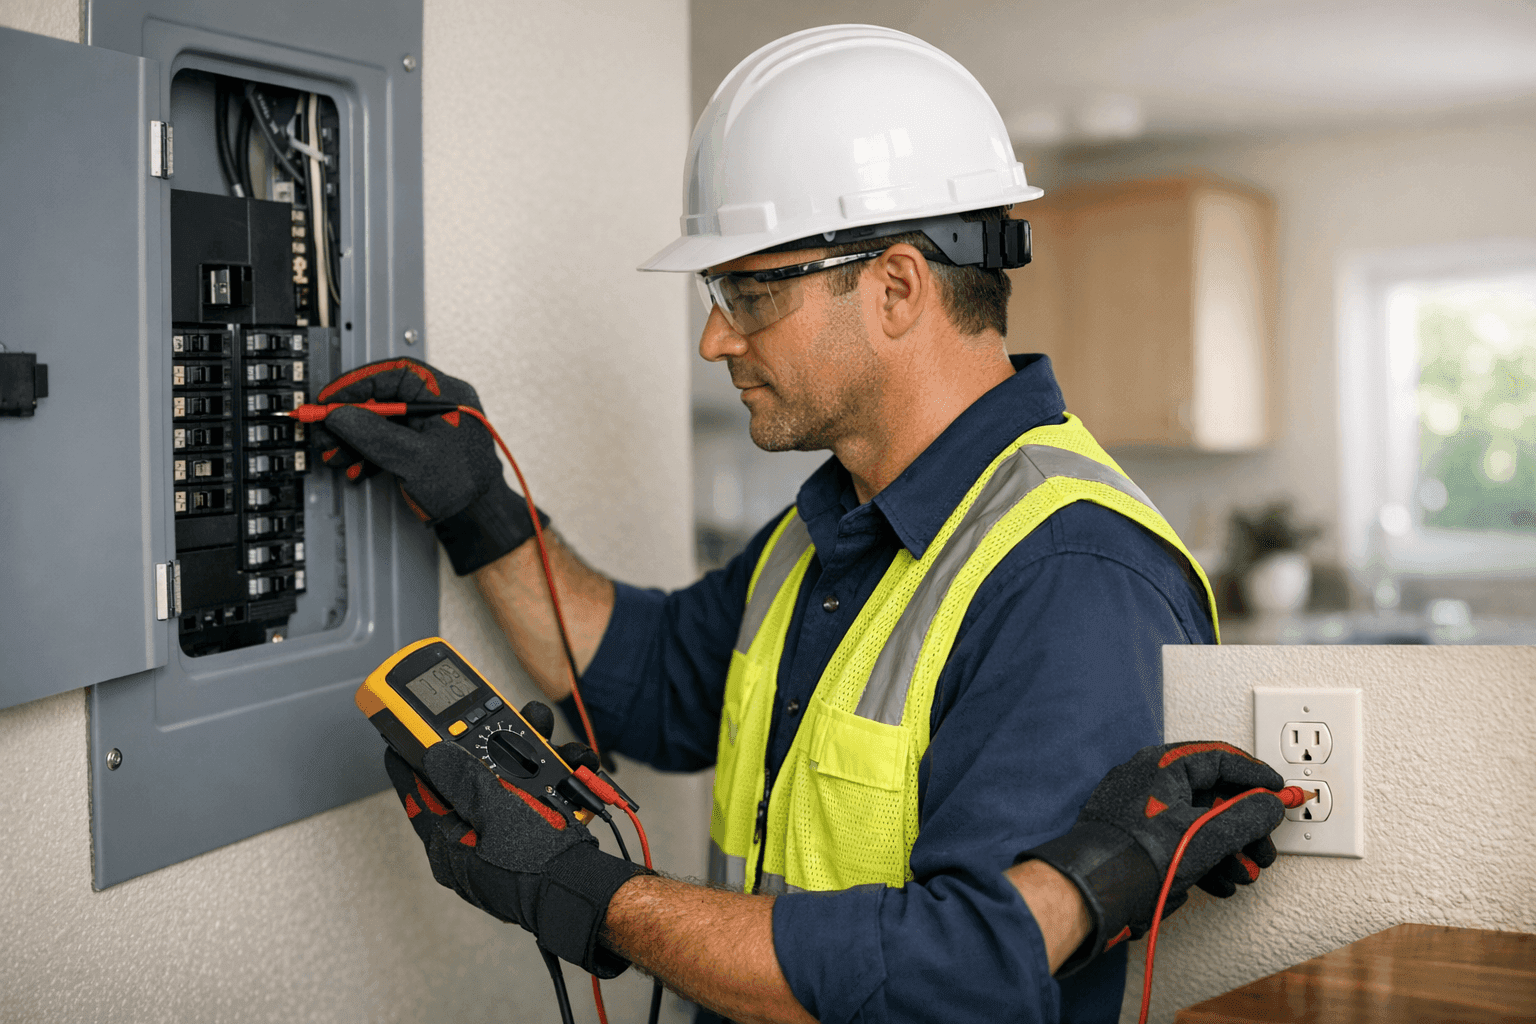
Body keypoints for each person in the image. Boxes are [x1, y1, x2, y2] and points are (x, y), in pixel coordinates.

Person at [316, 25, 1288, 1024]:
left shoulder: (1068, 574)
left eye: (750, 289)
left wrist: (594, 897)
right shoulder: (826, 526)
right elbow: (649, 678)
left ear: (897, 287)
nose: (714, 336)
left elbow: (966, 977)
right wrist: (482, 507)